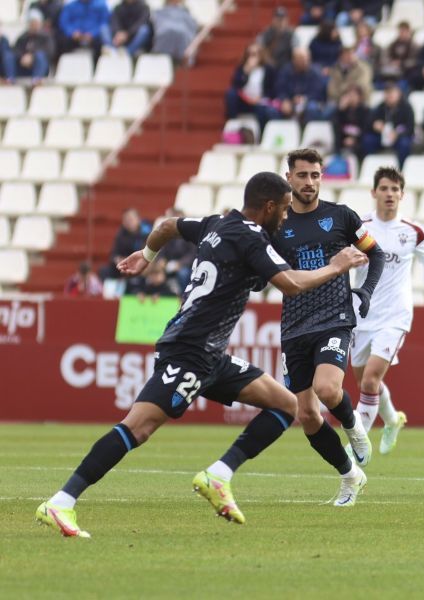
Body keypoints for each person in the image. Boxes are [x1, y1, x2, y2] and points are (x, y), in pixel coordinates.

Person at [35, 172, 369, 537]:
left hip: (211, 355)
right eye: (286, 210)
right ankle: (61, 502)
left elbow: (166, 227)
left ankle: (219, 476)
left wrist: (146, 256)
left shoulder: (215, 223)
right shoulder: (251, 237)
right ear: (269, 207)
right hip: (189, 351)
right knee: (139, 427)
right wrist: (337, 266)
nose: (288, 217)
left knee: (286, 404)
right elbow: (289, 283)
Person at [273, 148, 386, 506]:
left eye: (316, 175)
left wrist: (365, 291)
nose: (310, 182)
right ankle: (350, 477)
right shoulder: (276, 223)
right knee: (305, 415)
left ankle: (353, 427)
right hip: (293, 325)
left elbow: (376, 253)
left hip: (334, 317)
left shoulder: (341, 216)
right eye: (303, 175)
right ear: (288, 177)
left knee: (327, 388)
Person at [350, 167, 424, 454]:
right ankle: (392, 419)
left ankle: (356, 449)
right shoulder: (360, 227)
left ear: (402, 194)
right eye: (384, 188)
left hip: (395, 315)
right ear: (374, 192)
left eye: (394, 189)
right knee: (364, 379)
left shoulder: (412, 231)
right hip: (362, 313)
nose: (389, 194)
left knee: (370, 380)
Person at [224, 43, 278, 130]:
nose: (252, 57)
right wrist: (246, 72)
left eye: (255, 54)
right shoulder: (242, 68)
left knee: (262, 110)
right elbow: (235, 85)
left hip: (259, 101)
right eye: (249, 54)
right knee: (230, 94)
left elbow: (272, 89)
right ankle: (232, 123)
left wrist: (261, 98)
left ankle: (261, 134)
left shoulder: (269, 69)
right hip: (244, 100)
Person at [361, 83, 415, 167]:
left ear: (398, 94)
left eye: (392, 93)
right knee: (368, 140)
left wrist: (397, 134)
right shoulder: (380, 107)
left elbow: (410, 128)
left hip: (398, 138)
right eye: (387, 93)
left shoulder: (406, 108)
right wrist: (375, 126)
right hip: (382, 137)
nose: (389, 96)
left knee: (405, 143)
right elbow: (368, 124)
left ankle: (401, 169)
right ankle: (372, 167)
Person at [274, 47, 331, 123]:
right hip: (290, 101)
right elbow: (280, 89)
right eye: (301, 59)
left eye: (306, 59)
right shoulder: (286, 71)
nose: (304, 61)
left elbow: (318, 93)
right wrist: (285, 99)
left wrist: (304, 99)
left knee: (312, 108)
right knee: (273, 109)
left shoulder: (315, 72)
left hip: (308, 102)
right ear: (294, 60)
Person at [100, 208, 152, 281]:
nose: (128, 222)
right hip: (126, 264)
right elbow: (114, 254)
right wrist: (117, 260)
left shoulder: (146, 232)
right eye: (126, 220)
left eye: (131, 219)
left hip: (143, 263)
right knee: (104, 271)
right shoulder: (121, 235)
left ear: (138, 219)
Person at [5, 10, 54, 83]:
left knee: (40, 56)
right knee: (8, 55)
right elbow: (16, 50)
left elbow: (50, 52)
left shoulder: (46, 37)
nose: (34, 25)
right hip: (23, 67)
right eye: (32, 23)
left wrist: (32, 56)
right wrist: (22, 57)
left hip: (39, 66)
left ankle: (36, 80)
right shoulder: (23, 37)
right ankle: (10, 79)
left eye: (36, 23)